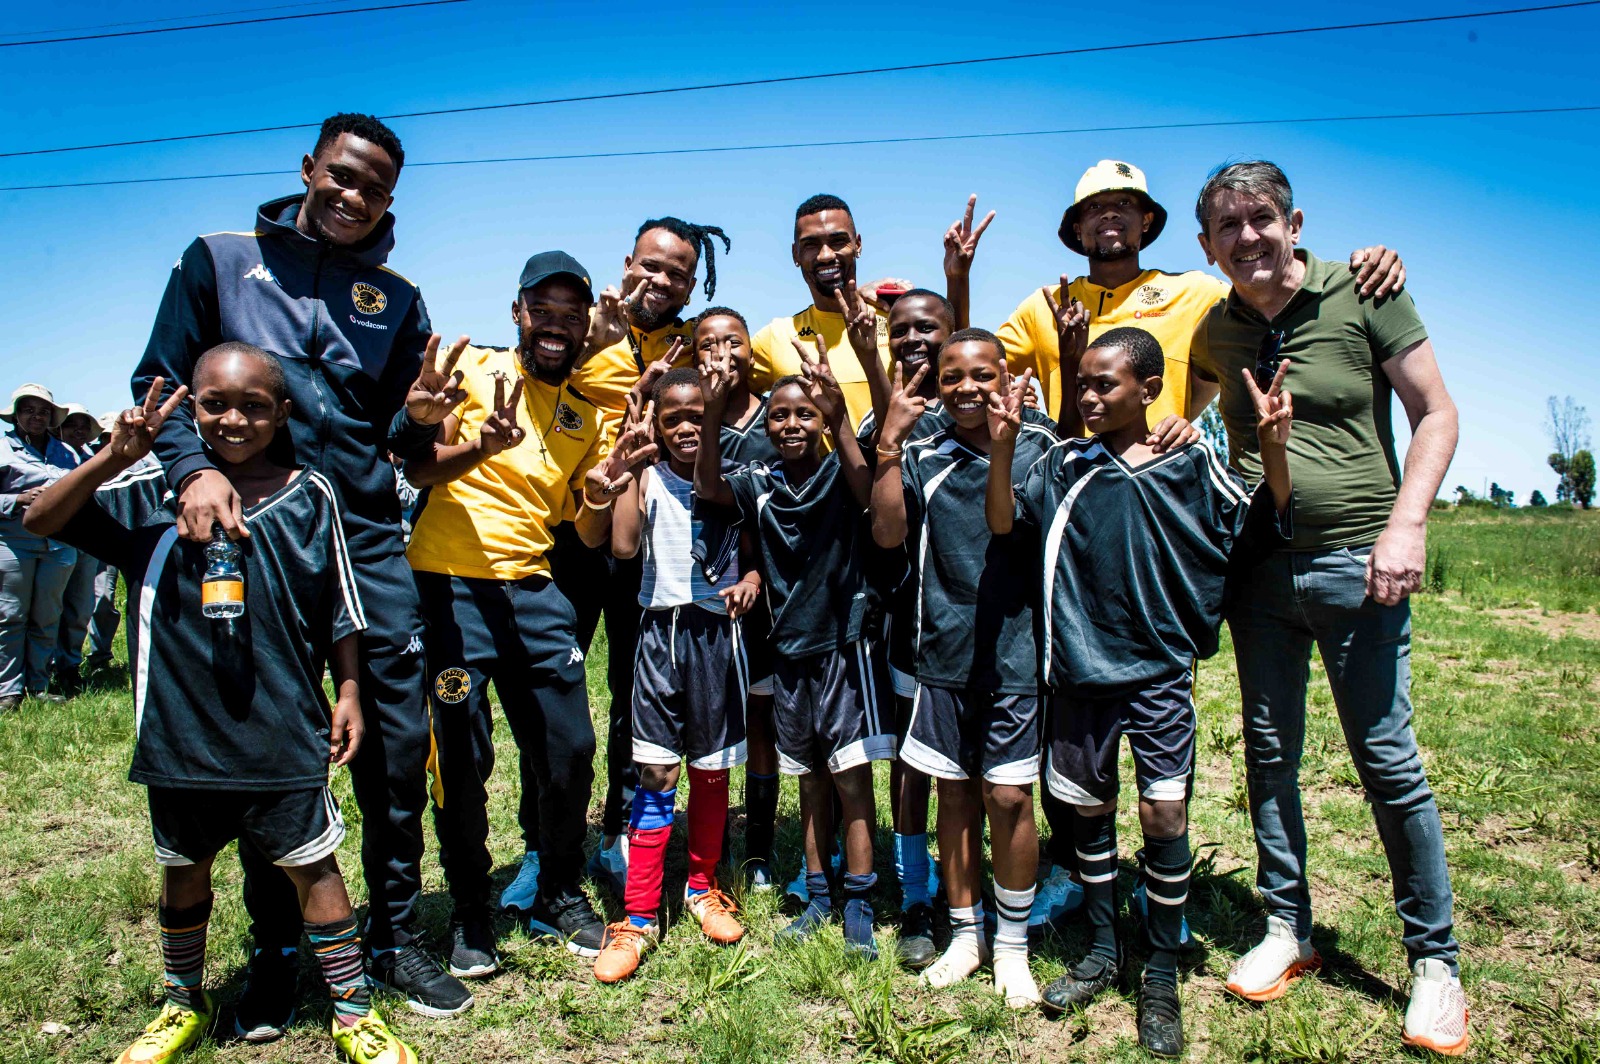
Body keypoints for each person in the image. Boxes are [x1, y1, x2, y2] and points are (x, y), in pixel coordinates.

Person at [990, 158, 1407, 930]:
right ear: (1075, 226)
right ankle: (1073, 870)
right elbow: (983, 364)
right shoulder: (1042, 303)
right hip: (1076, 513)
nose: (1110, 218)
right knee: (1075, 721)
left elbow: (1271, 286)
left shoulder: (1194, 291)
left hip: (1166, 516)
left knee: (1169, 714)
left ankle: (1164, 910)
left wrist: (1367, 263)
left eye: (1126, 206)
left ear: (1149, 222)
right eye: (1095, 209)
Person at [130, 112, 475, 1022]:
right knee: (261, 750)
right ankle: (280, 950)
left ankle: (395, 940)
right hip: (254, 542)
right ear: (310, 169)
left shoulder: (397, 299)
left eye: (374, 188)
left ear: (390, 201)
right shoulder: (216, 257)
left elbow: (399, 442)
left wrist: (424, 417)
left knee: (398, 757)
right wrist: (195, 468)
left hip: (365, 543)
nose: (354, 197)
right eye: (342, 176)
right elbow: (158, 386)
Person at [27, 355, 420, 1064]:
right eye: (214, 405)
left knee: (316, 871)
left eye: (254, 406)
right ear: (193, 411)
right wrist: (113, 458)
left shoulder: (309, 495)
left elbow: (339, 607)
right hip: (181, 735)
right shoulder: (152, 496)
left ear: (283, 415)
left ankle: (355, 1012)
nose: (234, 420)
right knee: (184, 871)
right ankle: (183, 1001)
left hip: (282, 728)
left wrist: (352, 690)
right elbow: (41, 516)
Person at [1188, 160, 1467, 1056]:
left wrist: (1406, 526)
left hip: (1361, 562)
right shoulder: (1217, 329)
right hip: (1259, 571)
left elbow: (1436, 414)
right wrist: (1171, 428)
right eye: (1226, 228)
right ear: (1207, 245)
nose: (1246, 238)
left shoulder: (1364, 291)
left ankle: (1435, 964)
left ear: (1294, 221)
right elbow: (1185, 403)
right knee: (1269, 754)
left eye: (1260, 218)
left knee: (1387, 758)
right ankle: (1287, 927)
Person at [988, 326, 1289, 1054]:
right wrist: (1003, 446)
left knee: (1162, 814)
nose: (1088, 396)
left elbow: (1256, 525)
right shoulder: (1062, 463)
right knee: (1089, 814)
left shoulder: (1190, 458)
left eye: (1105, 384)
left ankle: (1159, 966)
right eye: (1082, 383)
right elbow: (1005, 521)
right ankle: (1102, 945)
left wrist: (1275, 450)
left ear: (1149, 390)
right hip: (1082, 675)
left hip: (1157, 675)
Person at [400, 251, 654, 969]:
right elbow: (416, 466)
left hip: (535, 589)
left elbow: (588, 530)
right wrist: (473, 442)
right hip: (448, 588)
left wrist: (603, 491)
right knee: (461, 757)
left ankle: (559, 891)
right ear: (517, 312)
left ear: (586, 329)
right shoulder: (473, 369)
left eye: (572, 317)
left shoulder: (585, 411)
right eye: (542, 311)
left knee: (571, 748)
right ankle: (472, 914)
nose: (556, 326)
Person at [508, 217, 731, 912]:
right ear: (628, 261)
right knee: (551, 704)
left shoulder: (691, 342)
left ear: (692, 284)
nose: (661, 283)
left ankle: (620, 832)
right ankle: (541, 844)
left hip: (648, 542)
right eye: (652, 266)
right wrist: (594, 345)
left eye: (678, 274)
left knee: (637, 701)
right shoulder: (581, 328)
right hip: (574, 535)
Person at [870, 327, 1057, 1007]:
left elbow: (1010, 525)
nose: (968, 389)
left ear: (1006, 376)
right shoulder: (922, 450)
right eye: (953, 377)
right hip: (941, 652)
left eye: (983, 374)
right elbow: (888, 536)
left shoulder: (1042, 445)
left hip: (1016, 652)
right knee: (953, 794)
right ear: (936, 384)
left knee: (1008, 797)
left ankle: (1011, 945)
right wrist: (889, 446)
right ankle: (965, 934)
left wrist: (1006, 446)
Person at [696, 336, 892, 958]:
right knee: (807, 776)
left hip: (843, 645)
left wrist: (837, 416)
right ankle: (817, 893)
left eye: (804, 412)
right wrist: (711, 407)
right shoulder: (757, 481)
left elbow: (869, 495)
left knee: (851, 777)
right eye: (779, 413)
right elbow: (707, 486)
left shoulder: (841, 471)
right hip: (788, 649)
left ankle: (859, 895)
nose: (790, 423)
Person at [592, 367, 761, 982]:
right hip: (661, 635)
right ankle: (637, 915)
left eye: (698, 415)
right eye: (674, 419)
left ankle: (701, 885)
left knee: (710, 768)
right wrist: (627, 474)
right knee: (657, 769)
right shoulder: (648, 476)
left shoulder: (734, 481)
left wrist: (749, 582)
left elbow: (752, 560)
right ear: (657, 427)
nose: (687, 427)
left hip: (718, 637)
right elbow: (625, 548)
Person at [689, 308, 782, 892]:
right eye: (708, 342)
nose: (722, 351)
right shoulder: (690, 416)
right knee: (720, 719)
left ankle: (762, 847)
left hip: (774, 589)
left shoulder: (781, 411)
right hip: (712, 590)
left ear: (754, 351)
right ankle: (713, 845)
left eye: (734, 340)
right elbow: (708, 492)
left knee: (764, 716)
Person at [747, 194, 906, 433]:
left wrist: (957, 278)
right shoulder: (776, 336)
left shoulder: (895, 318)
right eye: (811, 244)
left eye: (838, 241)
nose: (825, 255)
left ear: (858, 244)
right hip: (817, 472)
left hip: (895, 468)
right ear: (795, 255)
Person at [0, 384, 79, 710]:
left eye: (43, 410)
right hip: (14, 542)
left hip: (59, 545)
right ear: (16, 414)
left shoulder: (67, 453)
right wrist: (18, 499)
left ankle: (39, 685)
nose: (36, 416)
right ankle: (8, 690)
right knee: (10, 616)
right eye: (29, 409)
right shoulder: (3, 449)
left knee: (48, 616)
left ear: (51, 417)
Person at [48, 406, 103, 696]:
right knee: (50, 608)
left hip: (88, 542)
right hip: (59, 541)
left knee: (80, 607)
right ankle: (43, 669)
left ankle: (69, 666)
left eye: (84, 426)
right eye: (72, 426)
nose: (78, 431)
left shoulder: (92, 459)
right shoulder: (51, 456)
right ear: (58, 428)